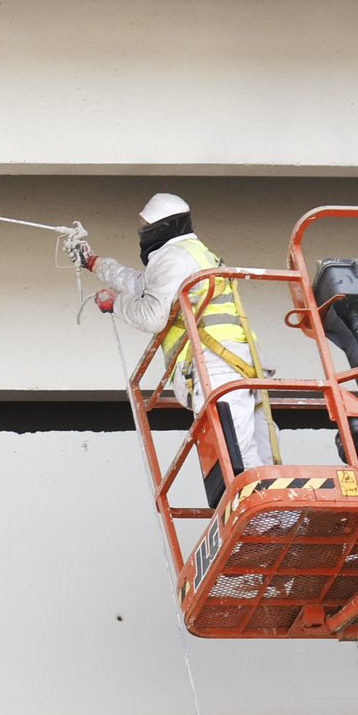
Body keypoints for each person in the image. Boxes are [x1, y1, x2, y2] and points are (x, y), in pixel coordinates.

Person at [71, 193, 274, 499]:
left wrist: (116, 304)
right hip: (239, 362)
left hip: (213, 365)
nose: (142, 232)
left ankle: (260, 516)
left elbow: (152, 315)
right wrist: (97, 264)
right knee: (257, 453)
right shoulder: (195, 253)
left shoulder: (171, 257)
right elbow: (145, 285)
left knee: (236, 454)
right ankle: (275, 516)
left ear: (160, 227)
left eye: (144, 226)